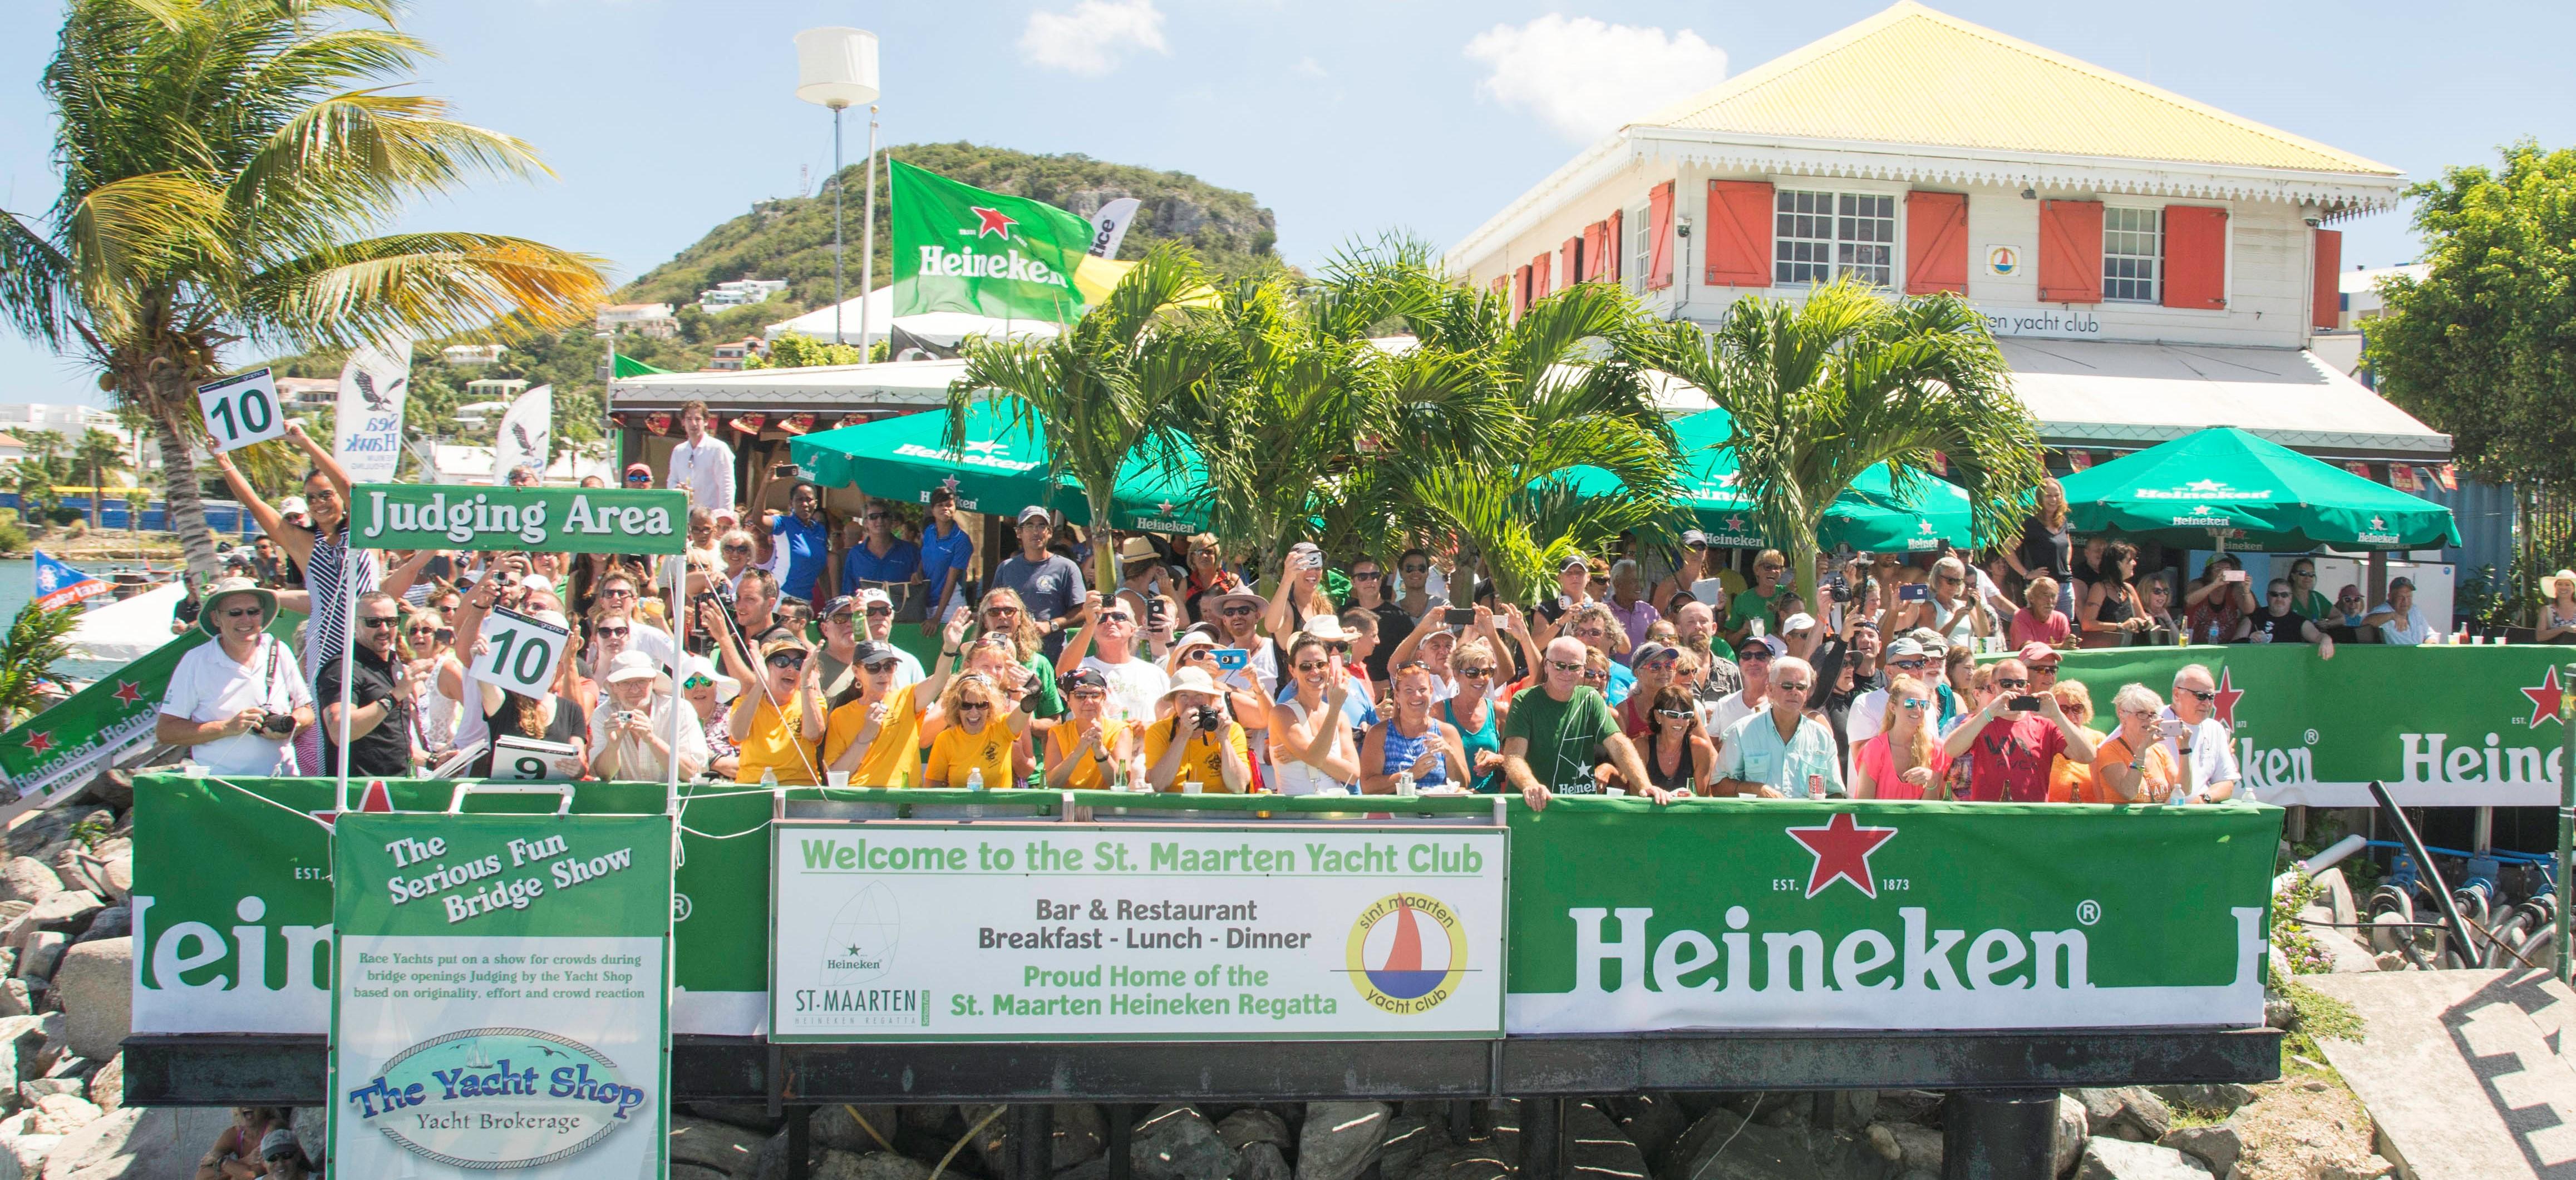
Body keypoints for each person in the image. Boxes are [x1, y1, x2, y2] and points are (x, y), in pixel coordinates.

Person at [157, 577, 312, 776]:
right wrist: (226, 728)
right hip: (222, 786)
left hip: (281, 781)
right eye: (235, 613)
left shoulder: (280, 650)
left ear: (262, 615)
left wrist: (292, 723)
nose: (246, 620)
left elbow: (307, 711)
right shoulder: (196, 661)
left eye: (253, 612)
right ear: (216, 619)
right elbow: (166, 731)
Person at [1500, 637, 1661, 809]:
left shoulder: (1591, 698)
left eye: (1574, 667)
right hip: (1535, 807)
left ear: (1583, 670)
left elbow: (1618, 743)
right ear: (1546, 666)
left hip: (1579, 808)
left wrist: (1645, 785)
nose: (1567, 673)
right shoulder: (1524, 700)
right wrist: (1530, 785)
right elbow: (1513, 757)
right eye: (1559, 665)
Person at [1942, 657, 2100, 802]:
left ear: (2028, 687)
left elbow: (2087, 756)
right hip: (1990, 817)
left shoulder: (2045, 724)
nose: (2015, 689)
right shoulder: (1983, 721)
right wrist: (1989, 713)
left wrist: (2058, 716)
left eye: (2020, 684)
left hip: (2032, 818)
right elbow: (1951, 750)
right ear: (1994, 687)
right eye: (2007, 684)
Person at [1705, 654, 1839, 798]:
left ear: (1807, 693)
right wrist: (1755, 789)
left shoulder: (1822, 737)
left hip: (1809, 820)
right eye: (1787, 686)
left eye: (1801, 687)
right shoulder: (1742, 731)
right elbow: (1718, 786)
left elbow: (1836, 794)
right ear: (1770, 690)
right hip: (1758, 818)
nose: (1794, 691)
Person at [314, 589, 416, 777]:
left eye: (391, 621)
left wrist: (433, 759)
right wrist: (394, 697)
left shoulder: (395, 664)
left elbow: (390, 739)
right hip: (359, 790)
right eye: (374, 622)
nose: (384, 629)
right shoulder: (343, 667)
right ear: (355, 623)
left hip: (397, 785)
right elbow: (338, 730)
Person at [719, 633, 826, 785]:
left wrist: (806, 680)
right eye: (782, 662)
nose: (791, 669)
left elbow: (813, 734)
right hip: (753, 787)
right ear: (768, 667)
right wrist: (761, 683)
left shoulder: (813, 701)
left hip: (798, 789)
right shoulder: (745, 703)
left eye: (798, 664)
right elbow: (737, 735)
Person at [588, 650, 709, 782]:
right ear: (613, 687)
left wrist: (651, 739)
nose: (634, 690)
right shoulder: (603, 714)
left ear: (653, 682)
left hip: (674, 799)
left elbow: (691, 772)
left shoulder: (679, 710)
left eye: (641, 681)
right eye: (625, 683)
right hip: (621, 800)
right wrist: (613, 745)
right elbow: (602, 775)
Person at [824, 640, 929, 787]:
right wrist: (867, 733)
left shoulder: (906, 698)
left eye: (889, 666)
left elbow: (938, 682)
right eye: (874, 667)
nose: (883, 674)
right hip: (860, 800)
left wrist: (949, 649)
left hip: (902, 800)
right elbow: (835, 776)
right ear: (856, 672)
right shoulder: (840, 715)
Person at [1269, 633, 1364, 796]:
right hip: (1296, 816)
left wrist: (1299, 756)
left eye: (1321, 664)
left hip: (1332, 814)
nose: (1315, 671)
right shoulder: (1282, 713)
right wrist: (1334, 709)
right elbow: (1313, 758)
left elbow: (1352, 775)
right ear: (1293, 670)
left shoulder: (1341, 718)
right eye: (1306, 666)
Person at [991, 506, 1087, 661]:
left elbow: (1082, 612)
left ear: (1049, 533)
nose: (1036, 531)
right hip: (1010, 654)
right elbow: (992, 609)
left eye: (1041, 526)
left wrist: (1052, 625)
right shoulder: (1006, 568)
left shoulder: (1066, 568)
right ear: (1019, 533)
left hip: (1052, 655)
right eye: (1029, 526)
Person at [1361, 663, 1470, 794]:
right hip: (1393, 814)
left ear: (1431, 691)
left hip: (1439, 813)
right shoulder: (1379, 734)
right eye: (1409, 690)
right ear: (1397, 695)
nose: (1417, 695)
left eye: (1422, 689)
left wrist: (1450, 755)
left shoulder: (1447, 733)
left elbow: (1463, 785)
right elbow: (1368, 787)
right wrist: (1411, 774)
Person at [1066, 592, 1171, 725]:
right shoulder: (1082, 668)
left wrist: (1148, 729)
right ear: (1093, 632)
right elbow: (1063, 672)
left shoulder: (1156, 674)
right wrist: (1089, 623)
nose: (1110, 622)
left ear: (1133, 629)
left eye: (1118, 617)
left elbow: (1168, 721)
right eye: (1102, 618)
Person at [1144, 668, 1253, 793]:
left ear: (1212, 701)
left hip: (1219, 810)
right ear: (1174, 704)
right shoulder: (1158, 731)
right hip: (1174, 809)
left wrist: (1224, 740)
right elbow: (1159, 785)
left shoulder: (1231, 729)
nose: (1191, 703)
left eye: (1199, 695)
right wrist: (1183, 735)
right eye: (1183, 696)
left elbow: (1239, 787)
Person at [1849, 673, 1949, 801]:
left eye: (1923, 705)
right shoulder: (1875, 748)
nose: (1918, 710)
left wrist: (1932, 781)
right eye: (1910, 704)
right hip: (1879, 821)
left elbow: (1929, 814)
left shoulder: (1937, 749)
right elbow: (1864, 807)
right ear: (1893, 707)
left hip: (1920, 820)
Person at [1043, 667, 1144, 789]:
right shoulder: (1058, 733)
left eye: (1096, 695)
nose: (1089, 701)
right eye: (1080, 696)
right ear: (1068, 701)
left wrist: (1100, 751)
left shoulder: (1121, 730)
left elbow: (1121, 783)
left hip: (1106, 806)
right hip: (1067, 804)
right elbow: (1051, 784)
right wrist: (1078, 753)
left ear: (1104, 698)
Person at [923, 673, 1026, 789]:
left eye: (981, 705)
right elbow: (931, 788)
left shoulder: (1002, 727)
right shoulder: (945, 739)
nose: (974, 712)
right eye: (966, 705)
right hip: (960, 807)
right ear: (957, 707)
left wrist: (1033, 695)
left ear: (990, 707)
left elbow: (1025, 710)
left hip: (999, 807)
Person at [2162, 663, 2243, 803]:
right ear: (2177, 694)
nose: (2207, 703)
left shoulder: (2215, 729)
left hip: (2199, 814)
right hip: (2160, 814)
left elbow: (2227, 783)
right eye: (2200, 696)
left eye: (2211, 697)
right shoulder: (2152, 721)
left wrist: (2204, 800)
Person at [2091, 683, 2184, 804]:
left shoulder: (2160, 750)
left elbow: (2183, 789)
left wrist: (2184, 749)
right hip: (2125, 822)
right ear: (2122, 715)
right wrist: (2142, 750)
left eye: (2153, 714)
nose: (2149, 720)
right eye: (2142, 714)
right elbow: (2129, 792)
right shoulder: (2110, 750)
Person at [1441, 638, 1510, 793]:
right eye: (1473, 672)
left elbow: (1519, 760)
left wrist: (1498, 761)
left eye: (1487, 672)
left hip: (1489, 805)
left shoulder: (1499, 713)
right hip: (1449, 805)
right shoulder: (1438, 712)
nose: (1481, 678)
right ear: (1456, 675)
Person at [2008, 477, 2076, 619]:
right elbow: (2007, 548)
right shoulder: (2031, 523)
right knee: (2041, 628)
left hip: (2065, 585)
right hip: (2043, 588)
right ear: (2040, 498)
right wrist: (2026, 574)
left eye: (2057, 495)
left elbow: (2068, 545)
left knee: (2065, 629)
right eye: (2049, 496)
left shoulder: (2062, 521)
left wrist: (2067, 563)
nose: (2054, 499)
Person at [1704, 634, 1777, 759]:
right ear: (1740, 662)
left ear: (1773, 663)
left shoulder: (1779, 706)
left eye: (1761, 656)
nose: (1753, 661)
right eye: (1747, 656)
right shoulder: (1725, 704)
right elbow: (1711, 746)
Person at [1346, 555, 1415, 687]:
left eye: (1375, 576)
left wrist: (1388, 684)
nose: (1370, 581)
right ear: (1353, 582)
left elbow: (1413, 658)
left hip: (1390, 693)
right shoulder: (1344, 614)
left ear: (1381, 579)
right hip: (1349, 688)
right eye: (1362, 577)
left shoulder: (1400, 617)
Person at [1635, 684, 1717, 796]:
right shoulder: (1641, 747)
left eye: (1686, 715)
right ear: (1658, 716)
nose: (1680, 721)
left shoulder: (1701, 749)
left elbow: (1702, 799)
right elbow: (1636, 794)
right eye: (1673, 715)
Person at [918, 488, 977, 635]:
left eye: (949, 505)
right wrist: (918, 572)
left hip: (950, 605)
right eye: (940, 505)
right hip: (927, 600)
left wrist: (937, 617)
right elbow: (924, 556)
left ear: (955, 508)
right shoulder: (930, 531)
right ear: (932, 510)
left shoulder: (962, 540)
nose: (945, 508)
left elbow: (951, 581)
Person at [842, 500, 924, 606]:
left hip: (902, 617)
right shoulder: (855, 554)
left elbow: (921, 589)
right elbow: (848, 591)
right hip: (866, 617)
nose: (880, 520)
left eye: (884, 516)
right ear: (865, 523)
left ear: (891, 521)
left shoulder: (911, 551)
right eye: (873, 517)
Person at [666, 399, 737, 512]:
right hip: (685, 515)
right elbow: (672, 482)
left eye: (698, 419)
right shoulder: (679, 451)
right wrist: (678, 489)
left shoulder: (718, 448)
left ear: (706, 422)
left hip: (711, 518)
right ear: (683, 422)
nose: (694, 424)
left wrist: (725, 516)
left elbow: (727, 486)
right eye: (689, 419)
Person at [2077, 540, 2151, 648]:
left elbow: (2143, 619)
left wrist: (2148, 622)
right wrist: (2120, 626)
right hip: (2105, 650)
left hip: (2128, 648)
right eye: (2130, 560)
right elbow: (2087, 624)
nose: (2134, 563)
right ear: (2119, 564)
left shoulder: (2129, 589)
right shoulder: (2100, 588)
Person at [769, 482, 831, 605]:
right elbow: (758, 521)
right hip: (780, 598)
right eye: (799, 500)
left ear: (816, 503)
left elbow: (823, 570)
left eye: (809, 500)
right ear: (791, 503)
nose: (805, 504)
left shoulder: (820, 530)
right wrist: (766, 485)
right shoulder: (783, 523)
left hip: (805, 602)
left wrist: (829, 601)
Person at [681, 655, 741, 780]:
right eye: (690, 683)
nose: (699, 688)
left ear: (716, 686)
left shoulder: (735, 717)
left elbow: (751, 767)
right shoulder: (672, 721)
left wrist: (709, 758)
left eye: (706, 681)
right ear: (680, 691)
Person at [2246, 578, 2338, 658]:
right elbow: (2234, 644)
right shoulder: (2254, 617)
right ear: (2267, 596)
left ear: (2291, 598)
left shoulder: (2299, 621)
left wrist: (2326, 640)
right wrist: (2249, 641)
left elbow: (2318, 636)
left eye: (2284, 595)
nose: (2279, 599)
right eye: (2274, 594)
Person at [195, 1107, 292, 1180]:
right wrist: (246, 1161)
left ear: (265, 1107)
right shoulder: (233, 1133)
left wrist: (221, 1162)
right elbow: (201, 1176)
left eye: (253, 1100)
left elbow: (253, 1174)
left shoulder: (274, 1127)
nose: (247, 1104)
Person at [2184, 555, 2258, 644]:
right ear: (2209, 572)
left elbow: (2249, 611)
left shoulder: (2235, 589)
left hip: (2226, 646)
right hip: (2196, 644)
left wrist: (2246, 591)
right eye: (2218, 569)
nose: (2223, 573)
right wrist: (2215, 584)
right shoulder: (2198, 584)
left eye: (2227, 569)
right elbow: (2190, 600)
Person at [2046, 679, 2097, 803]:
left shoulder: (2098, 739)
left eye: (2077, 708)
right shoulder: (2045, 737)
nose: (2070, 715)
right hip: (2050, 814)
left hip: (2088, 814)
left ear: (2085, 710)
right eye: (2063, 709)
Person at [1725, 550, 1790, 642]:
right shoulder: (1743, 600)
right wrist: (1743, 631)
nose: (1773, 571)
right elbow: (1730, 640)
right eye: (1768, 567)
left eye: (1777, 567)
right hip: (1753, 654)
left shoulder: (1787, 594)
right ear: (1757, 570)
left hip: (1781, 654)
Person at [730, 569, 796, 649]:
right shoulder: (732, 630)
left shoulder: (784, 644)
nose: (740, 606)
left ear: (770, 604)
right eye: (738, 597)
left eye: (750, 599)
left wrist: (724, 640)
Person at [2363, 576, 2437, 645]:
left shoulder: (2414, 610)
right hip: (2397, 657)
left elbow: (2430, 635)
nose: (2405, 601)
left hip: (2419, 656)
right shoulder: (2384, 610)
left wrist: (2430, 646)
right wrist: (2392, 616)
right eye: (2400, 597)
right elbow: (2364, 623)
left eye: (2409, 597)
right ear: (2390, 597)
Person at [2009, 576, 2074, 649]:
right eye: (2045, 596)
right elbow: (2027, 648)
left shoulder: (2061, 619)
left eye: (2053, 596)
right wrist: (2059, 647)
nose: (2050, 601)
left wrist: (2071, 643)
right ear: (2031, 598)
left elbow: (2066, 647)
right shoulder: (2021, 616)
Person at [1534, 555, 1594, 629]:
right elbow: (1536, 641)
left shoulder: (1595, 609)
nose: (1575, 576)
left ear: (1588, 578)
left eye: (1579, 573)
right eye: (1569, 573)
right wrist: (1562, 621)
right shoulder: (1545, 609)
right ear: (1559, 578)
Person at [2287, 557, 2334, 622]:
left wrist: (2327, 625)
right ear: (2293, 576)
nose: (2307, 578)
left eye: (2311, 574)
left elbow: (2341, 618)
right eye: (2303, 573)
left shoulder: (2317, 598)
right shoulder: (2285, 596)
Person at [2543, 570, 2576, 644]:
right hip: (2555, 654)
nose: (2563, 587)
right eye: (2560, 584)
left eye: (2567, 585)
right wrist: (2564, 629)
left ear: (2574, 589)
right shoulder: (2547, 610)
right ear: (2555, 587)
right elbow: (2540, 636)